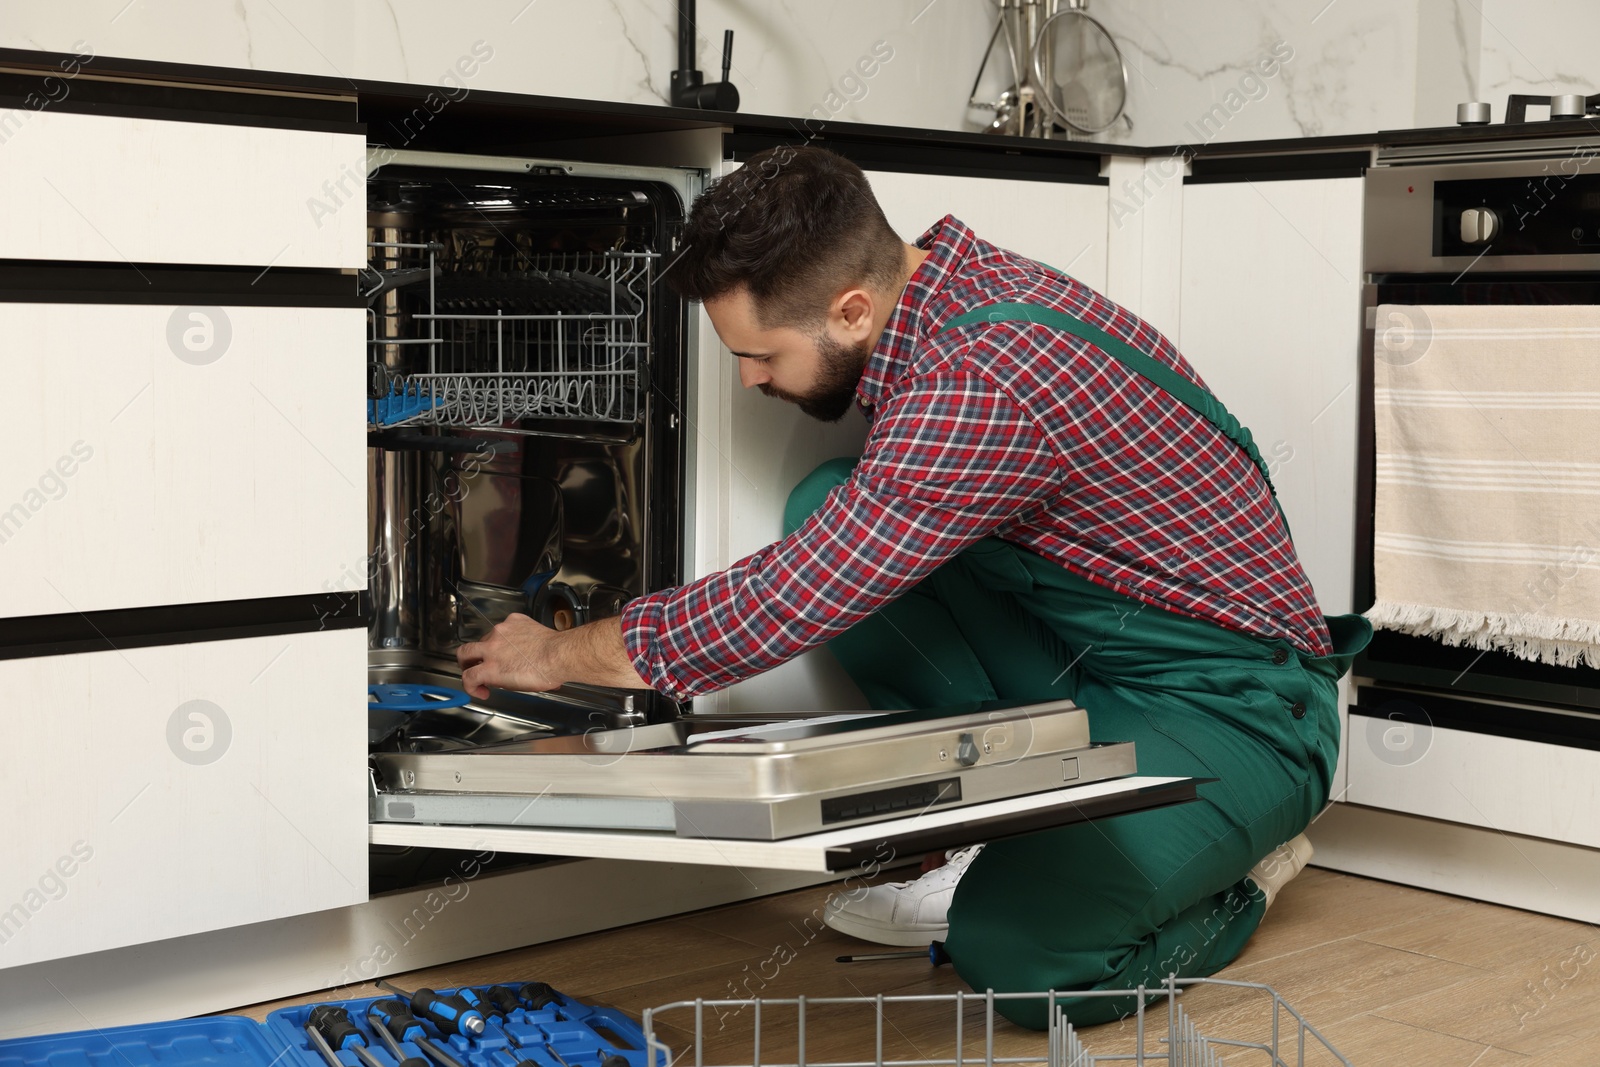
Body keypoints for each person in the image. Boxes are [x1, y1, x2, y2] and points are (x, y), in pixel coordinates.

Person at [456, 145, 1371, 1029]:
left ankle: (1249, 873)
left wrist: (560, 652)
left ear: (852, 309)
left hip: (1239, 704)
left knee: (1022, 957)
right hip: (1101, 648)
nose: (749, 376)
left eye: (762, 354)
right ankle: (992, 829)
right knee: (830, 499)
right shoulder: (949, 288)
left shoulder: (978, 378)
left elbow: (798, 592)